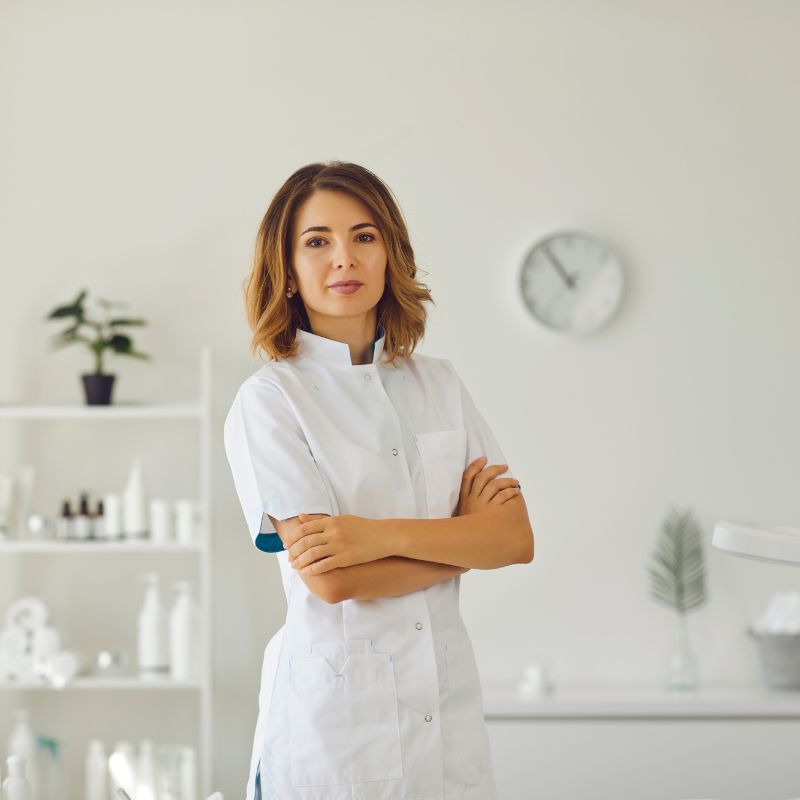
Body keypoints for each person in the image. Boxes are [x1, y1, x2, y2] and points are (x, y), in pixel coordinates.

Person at [223, 161, 534, 800]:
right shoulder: (271, 401)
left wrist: (369, 535)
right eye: (318, 241)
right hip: (337, 740)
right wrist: (458, 542)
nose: (345, 258)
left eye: (365, 236)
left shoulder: (439, 384)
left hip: (447, 724)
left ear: (391, 252)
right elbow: (332, 580)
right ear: (285, 265)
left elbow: (513, 539)